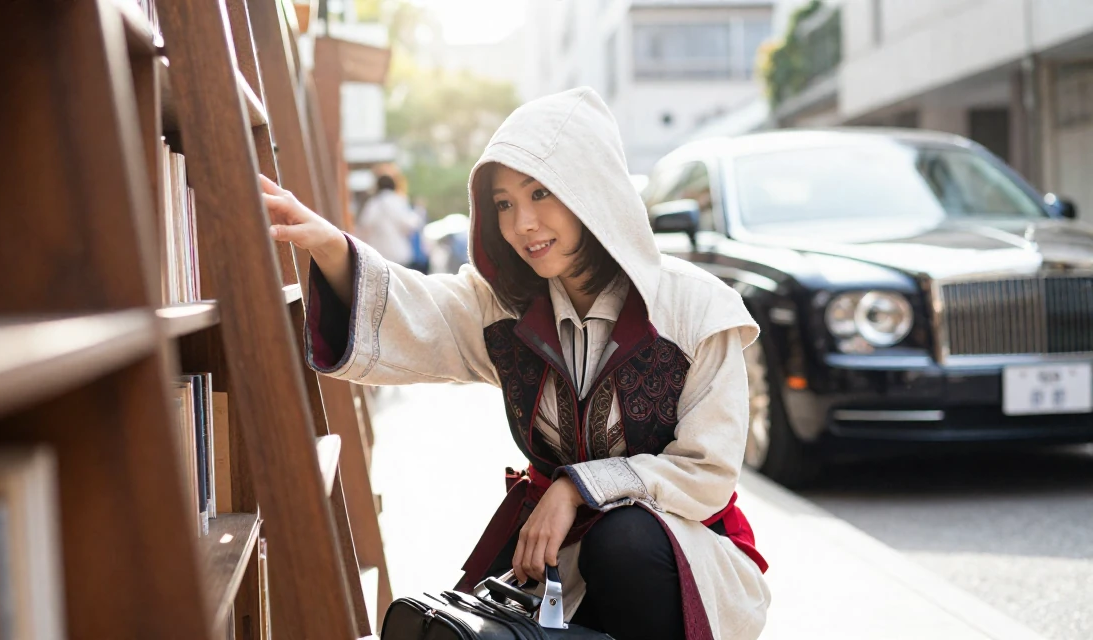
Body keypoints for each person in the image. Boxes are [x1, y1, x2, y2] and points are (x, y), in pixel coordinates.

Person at [261, 88, 770, 640]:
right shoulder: (504, 307)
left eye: (541, 193)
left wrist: (575, 488)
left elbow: (707, 472)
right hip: (551, 557)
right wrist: (329, 247)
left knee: (621, 542)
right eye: (504, 204)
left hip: (678, 562)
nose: (523, 222)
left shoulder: (697, 311)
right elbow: (420, 310)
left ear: (592, 187)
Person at [353, 174, 421, 268]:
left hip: (379, 255)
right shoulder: (399, 201)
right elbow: (409, 224)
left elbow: (364, 226)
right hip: (399, 253)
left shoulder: (373, 203)